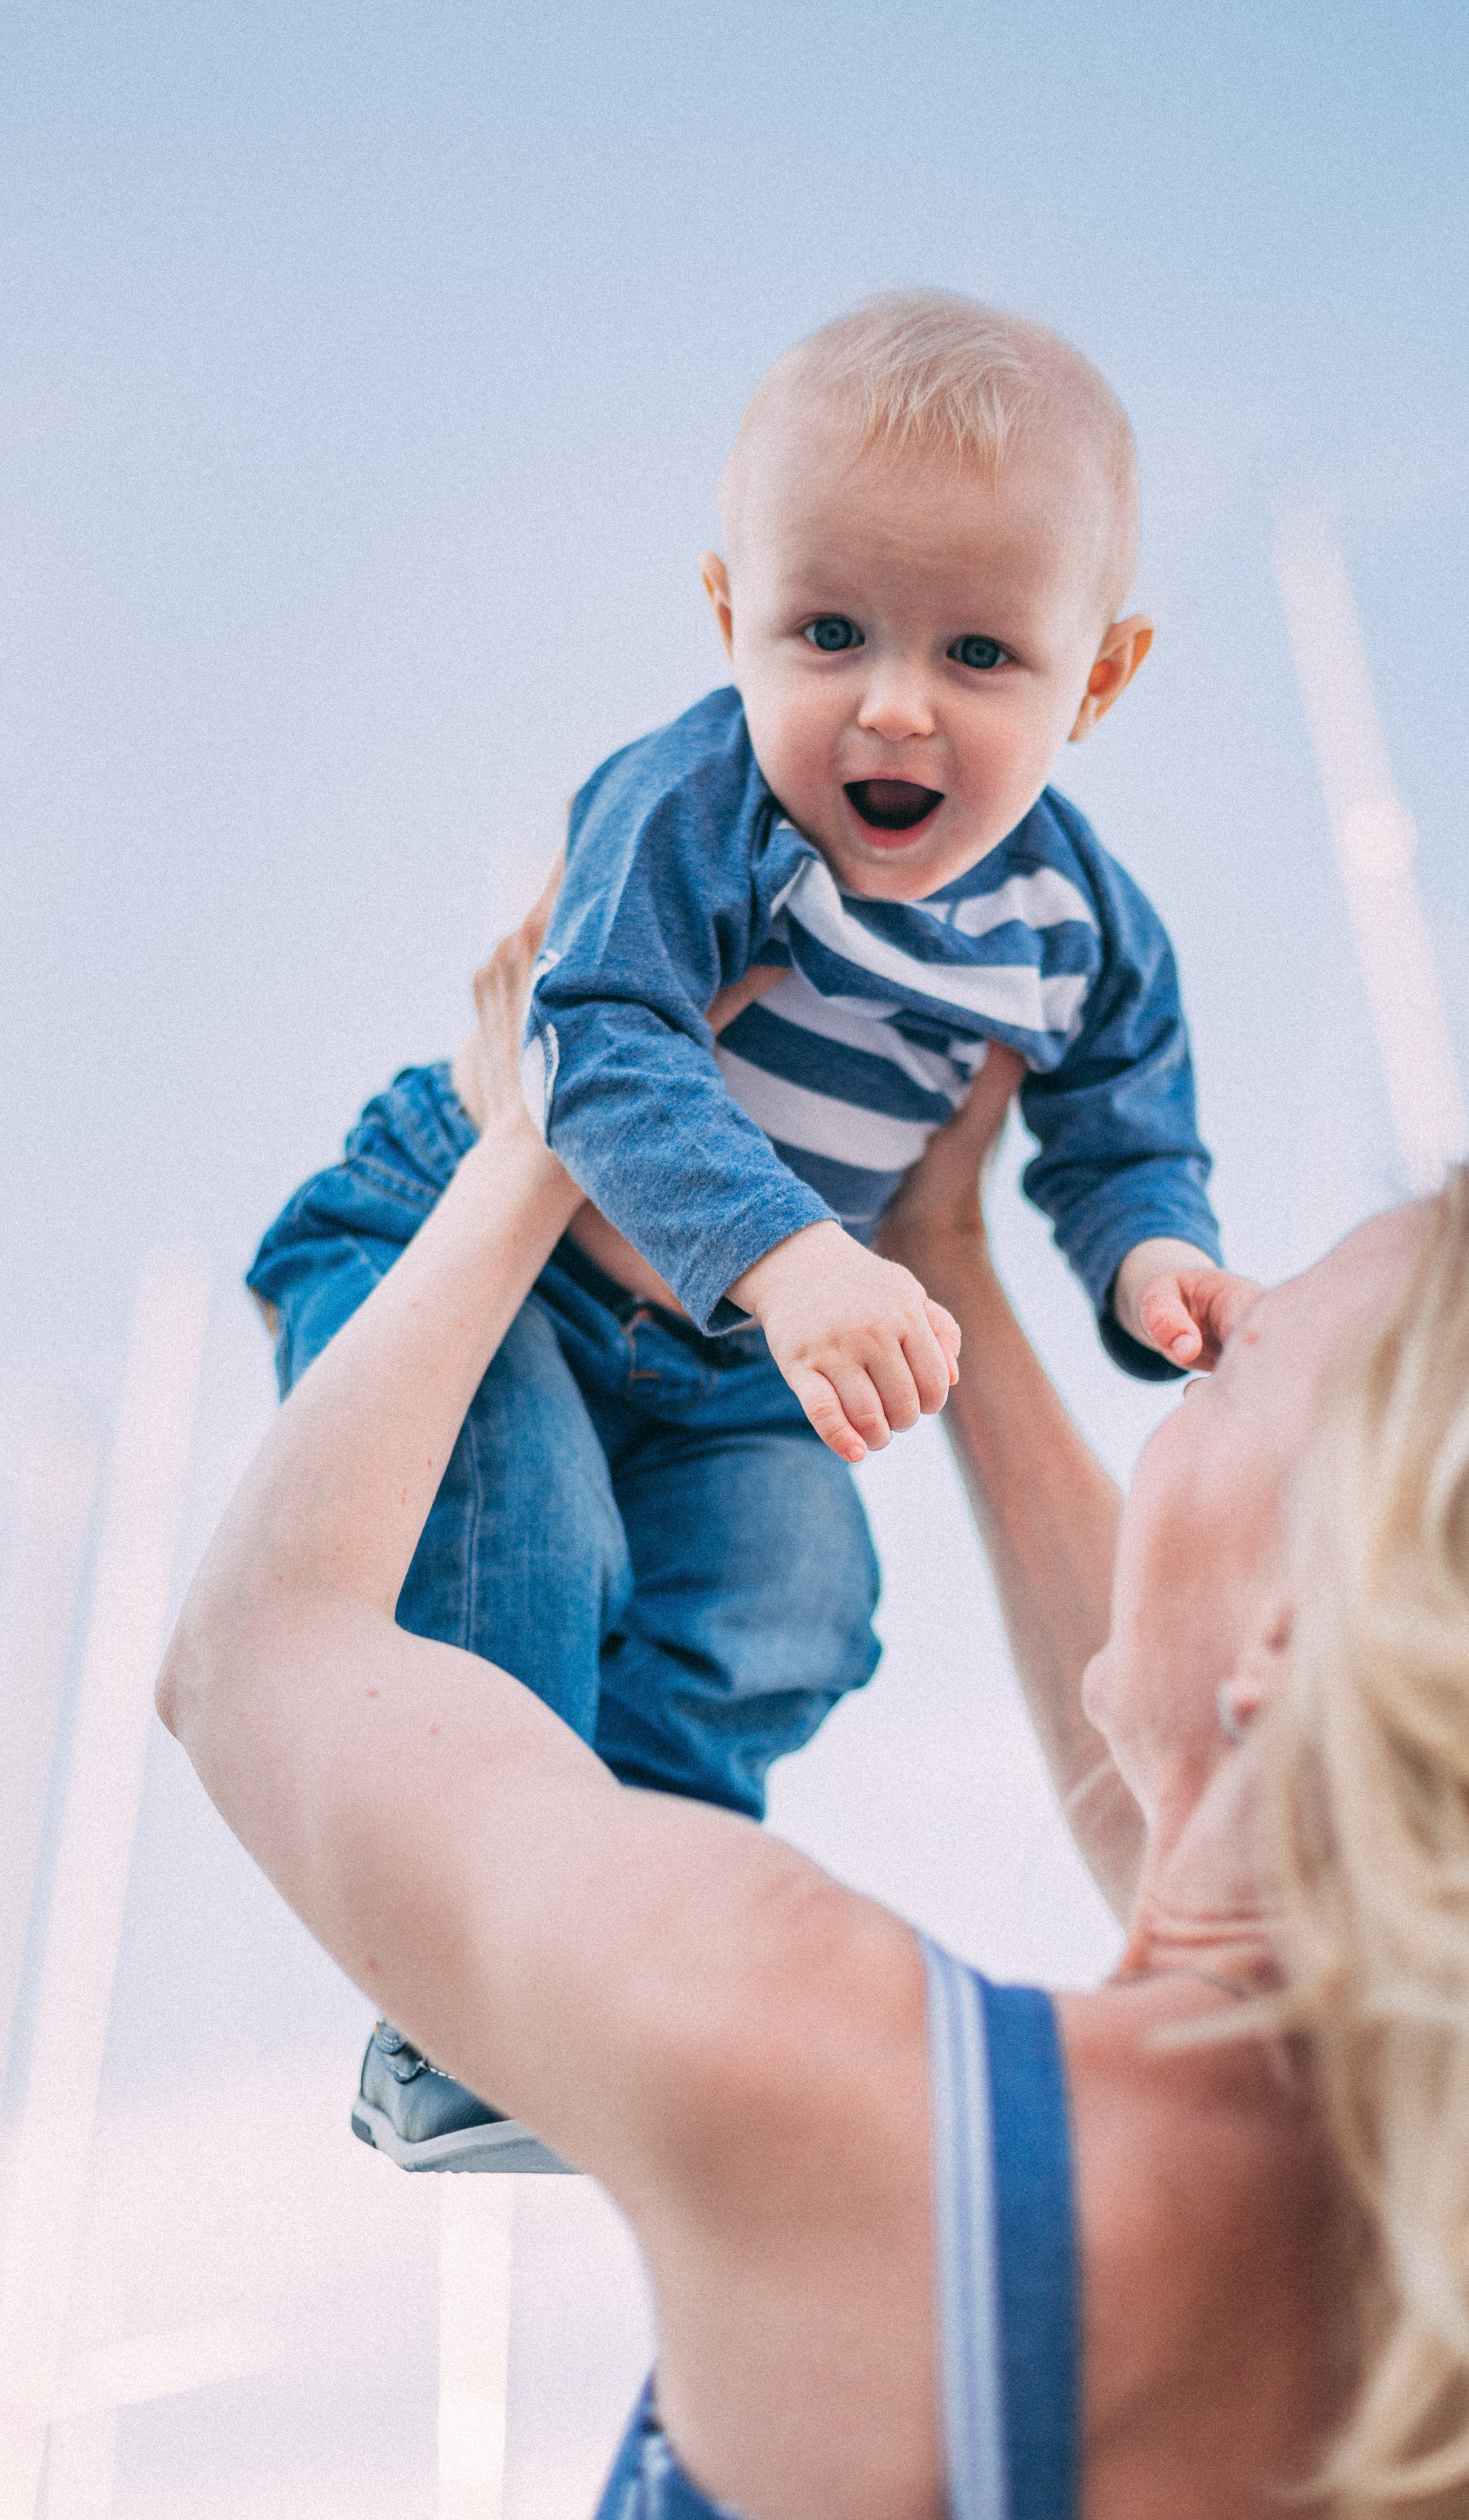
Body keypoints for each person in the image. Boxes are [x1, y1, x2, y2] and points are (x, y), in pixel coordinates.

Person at [162, 897, 1469, 2519]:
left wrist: (555, 1115)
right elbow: (1203, 1797)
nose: (1175, 1399)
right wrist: (941, 1253)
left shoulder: (859, 2090)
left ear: (1304, 1639)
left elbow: (265, 1650)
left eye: (1220, 1370)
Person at [247, 289, 1253, 2167]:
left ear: (1095, 683)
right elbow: (601, 1042)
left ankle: (636, 1946)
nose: (891, 701)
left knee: (799, 1589)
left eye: (977, 651)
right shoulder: (702, 805)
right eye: (830, 632)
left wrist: (1150, 1266)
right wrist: (797, 1254)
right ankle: (460, 1990)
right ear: (732, 619)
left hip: (721, 1363)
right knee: (520, 1540)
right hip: (492, 1269)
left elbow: (1124, 1131)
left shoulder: (1079, 927)